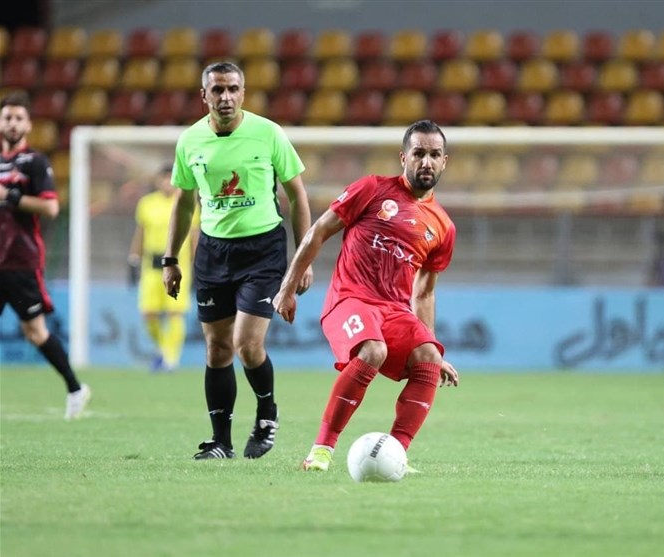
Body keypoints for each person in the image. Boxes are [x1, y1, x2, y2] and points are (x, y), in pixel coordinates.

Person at [273, 119, 460, 472]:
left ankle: (396, 454)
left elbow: (424, 292)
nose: (427, 162)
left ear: (444, 161)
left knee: (430, 357)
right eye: (418, 153)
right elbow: (318, 232)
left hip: (393, 311)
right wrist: (288, 287)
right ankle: (321, 450)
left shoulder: (443, 226)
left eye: (435, 155)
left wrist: (430, 344)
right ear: (403, 157)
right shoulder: (372, 189)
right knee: (373, 350)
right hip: (349, 299)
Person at [162, 62, 313, 460]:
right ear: (204, 96)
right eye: (218, 90)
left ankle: (267, 413)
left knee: (247, 344)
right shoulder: (190, 141)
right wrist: (170, 259)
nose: (225, 97)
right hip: (213, 251)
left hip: (263, 250)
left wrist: (303, 258)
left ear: (243, 93)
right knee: (217, 350)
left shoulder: (268, 133)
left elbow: (297, 195)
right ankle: (221, 442)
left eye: (232, 89)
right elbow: (183, 204)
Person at [0, 91, 91, 420]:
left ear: (28, 125)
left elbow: (50, 207)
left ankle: (75, 388)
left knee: (35, 332)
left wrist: (10, 196)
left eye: (18, 118)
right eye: (7, 117)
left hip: (21, 261)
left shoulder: (34, 163)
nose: (12, 123)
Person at [128, 163, 198, 372]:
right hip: (152, 265)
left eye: (170, 178)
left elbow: (194, 236)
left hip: (178, 265)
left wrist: (197, 264)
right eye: (163, 178)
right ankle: (163, 350)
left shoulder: (186, 202)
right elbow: (141, 233)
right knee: (148, 313)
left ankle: (171, 358)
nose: (167, 182)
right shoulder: (147, 203)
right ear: (158, 181)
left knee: (175, 313)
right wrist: (133, 258)